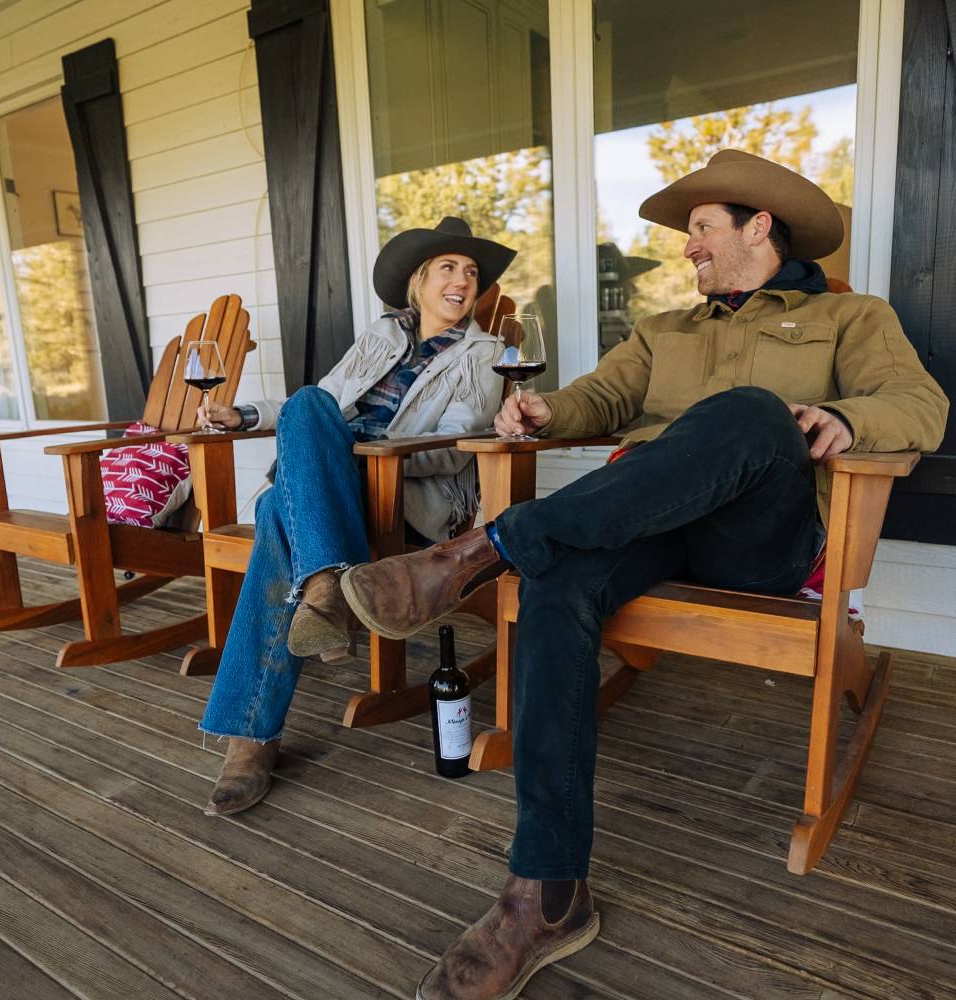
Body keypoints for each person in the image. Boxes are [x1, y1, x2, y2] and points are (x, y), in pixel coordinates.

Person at [339, 150, 950, 1000]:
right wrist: (547, 410)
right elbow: (601, 399)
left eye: (701, 228)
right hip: (651, 523)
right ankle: (546, 894)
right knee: (557, 586)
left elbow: (923, 407)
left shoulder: (849, 318)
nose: (688, 248)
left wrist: (845, 416)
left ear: (758, 226)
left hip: (759, 544)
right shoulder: (666, 330)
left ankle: (478, 551)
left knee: (746, 412)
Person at [197, 216, 515, 817]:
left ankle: (251, 737)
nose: (462, 280)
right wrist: (242, 414)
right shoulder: (381, 336)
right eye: (447, 267)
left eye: (471, 272)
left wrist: (360, 457)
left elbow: (458, 445)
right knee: (310, 405)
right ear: (418, 282)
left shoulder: (484, 352)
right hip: (335, 487)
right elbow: (315, 401)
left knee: (274, 511)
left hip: (405, 500)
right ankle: (323, 586)